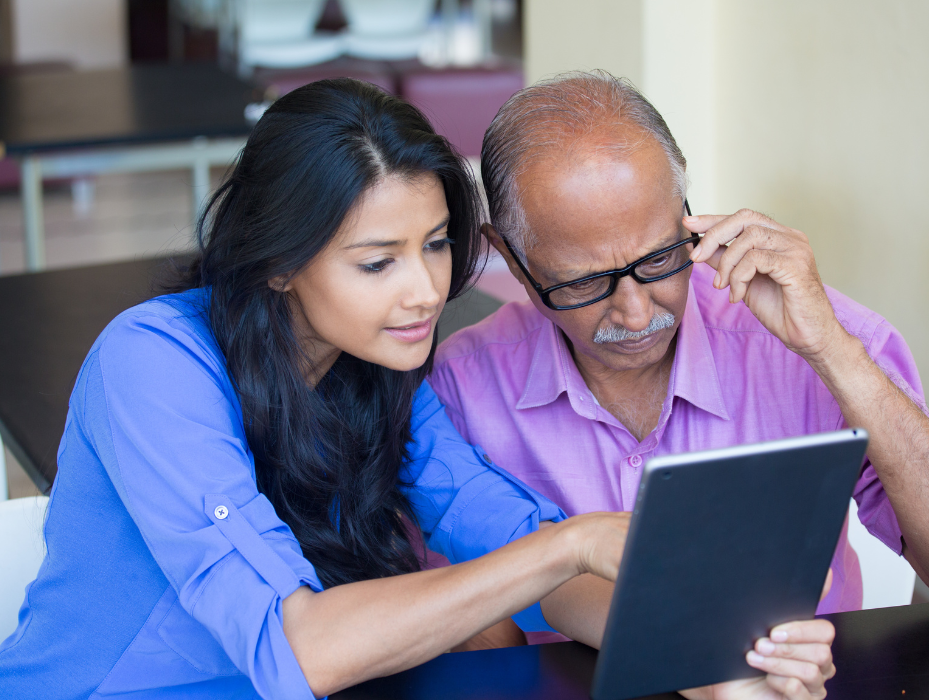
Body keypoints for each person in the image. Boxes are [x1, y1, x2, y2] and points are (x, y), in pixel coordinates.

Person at [0, 79, 833, 700]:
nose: (426, 292)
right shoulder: (152, 362)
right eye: (377, 262)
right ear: (279, 262)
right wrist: (568, 542)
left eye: (436, 245)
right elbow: (297, 650)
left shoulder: (379, 369)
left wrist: (714, 659)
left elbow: (512, 540)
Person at [429, 71, 929, 637]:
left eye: (658, 260)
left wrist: (832, 353)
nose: (635, 313)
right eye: (584, 283)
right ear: (511, 257)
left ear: (686, 211)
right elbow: (451, 623)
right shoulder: (459, 389)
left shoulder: (810, 338)